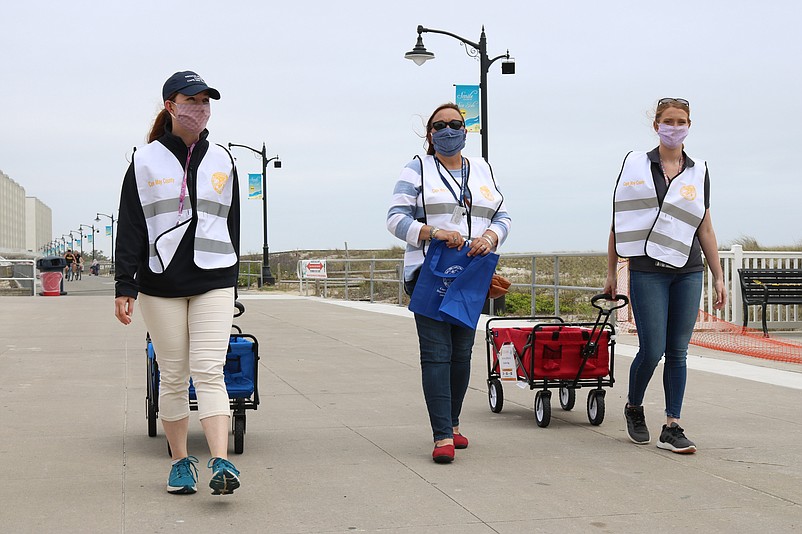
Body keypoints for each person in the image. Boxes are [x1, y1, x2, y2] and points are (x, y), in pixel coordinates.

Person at [114, 71, 242, 494]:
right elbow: (131, 224)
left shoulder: (223, 158)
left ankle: (221, 461)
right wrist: (124, 285)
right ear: (170, 106)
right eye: (191, 100)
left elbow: (232, 225)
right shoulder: (146, 160)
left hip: (215, 276)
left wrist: (234, 284)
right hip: (159, 281)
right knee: (172, 375)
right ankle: (180, 462)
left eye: (206, 101)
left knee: (210, 370)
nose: (200, 108)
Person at [386, 103, 511, 463]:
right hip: (430, 273)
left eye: (455, 124)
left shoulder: (483, 169)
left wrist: (491, 236)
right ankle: (441, 435)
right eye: (439, 126)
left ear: (466, 130)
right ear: (430, 134)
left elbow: (503, 214)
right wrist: (433, 231)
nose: (447, 130)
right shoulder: (417, 169)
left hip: (472, 274)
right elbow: (395, 218)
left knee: (461, 354)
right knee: (436, 355)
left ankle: (453, 424)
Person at [604, 97, 726, 454]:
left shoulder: (698, 170)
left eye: (682, 121)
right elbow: (618, 221)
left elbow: (705, 227)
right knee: (652, 348)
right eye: (668, 121)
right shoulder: (635, 165)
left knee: (678, 351)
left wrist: (717, 275)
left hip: (687, 270)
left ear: (690, 125)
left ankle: (672, 426)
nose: (675, 127)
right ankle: (634, 406)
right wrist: (611, 272)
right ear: (656, 124)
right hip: (647, 270)